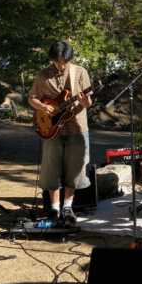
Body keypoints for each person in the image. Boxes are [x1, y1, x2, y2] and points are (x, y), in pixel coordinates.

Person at [28, 40, 92, 225]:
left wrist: (84, 101)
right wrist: (43, 107)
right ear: (52, 59)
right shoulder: (43, 75)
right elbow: (32, 99)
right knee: (52, 170)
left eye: (65, 62)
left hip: (77, 127)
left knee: (74, 170)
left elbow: (88, 103)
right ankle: (54, 209)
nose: (62, 66)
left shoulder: (80, 72)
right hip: (51, 129)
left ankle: (67, 207)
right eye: (58, 62)